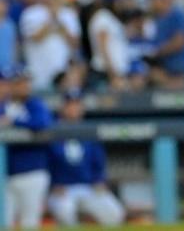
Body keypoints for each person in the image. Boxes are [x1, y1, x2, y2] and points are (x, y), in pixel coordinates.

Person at [0, 66, 54, 229]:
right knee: (1, 224)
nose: (24, 86)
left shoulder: (34, 104)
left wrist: (13, 123)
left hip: (32, 172)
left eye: (26, 82)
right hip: (5, 175)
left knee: (30, 224)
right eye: (19, 83)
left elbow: (42, 123)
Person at [47, 89, 126, 227]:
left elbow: (98, 163)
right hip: (61, 189)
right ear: (62, 107)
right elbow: (45, 162)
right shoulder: (52, 130)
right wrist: (53, 184)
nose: (74, 108)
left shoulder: (89, 132)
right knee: (65, 211)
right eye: (70, 104)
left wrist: (99, 181)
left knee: (114, 212)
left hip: (87, 187)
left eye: (77, 104)